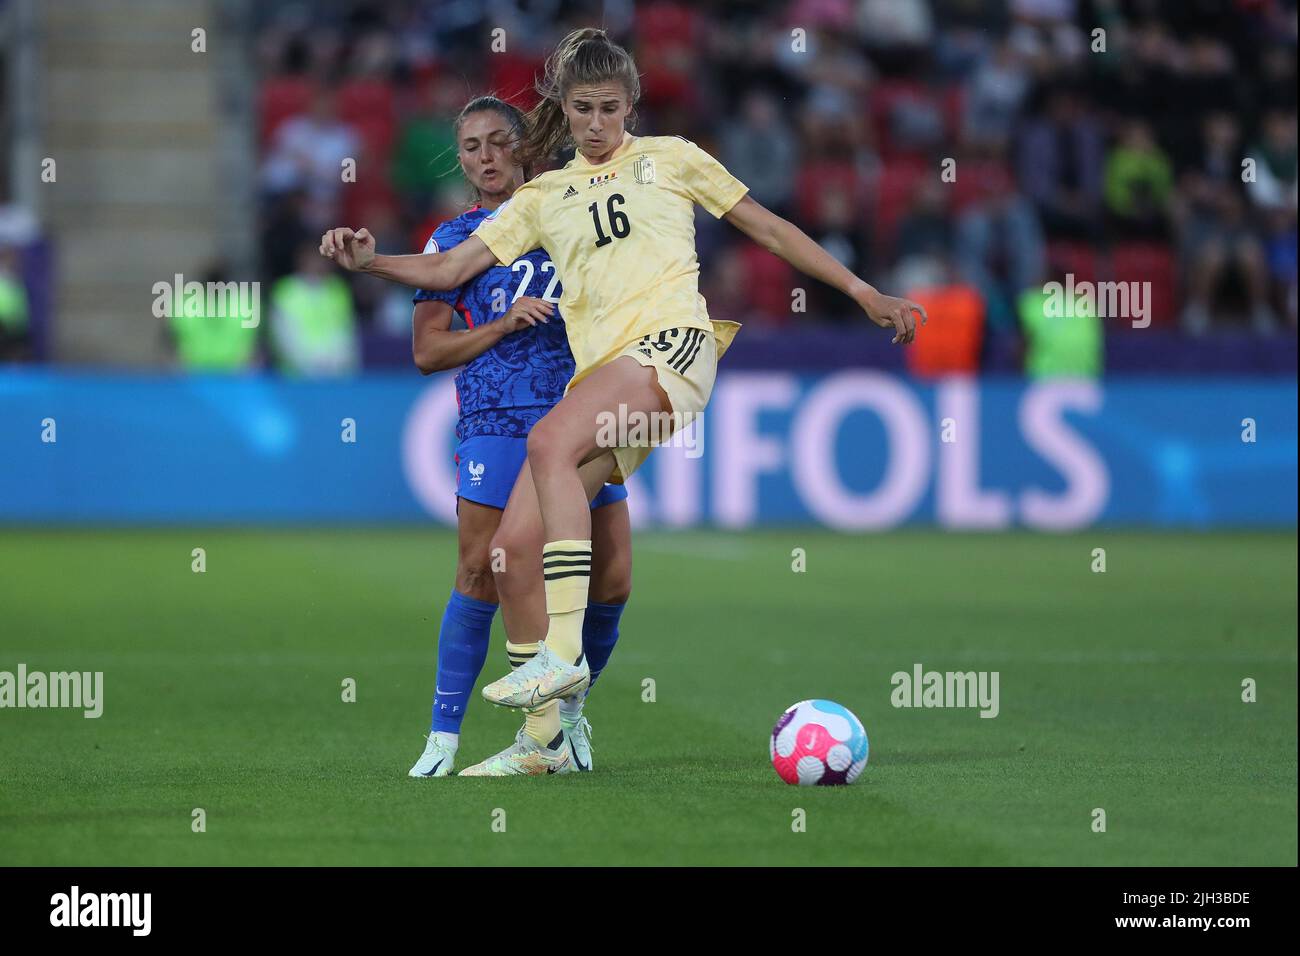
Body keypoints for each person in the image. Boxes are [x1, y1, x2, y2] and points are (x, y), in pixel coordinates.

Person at [322, 28, 924, 769]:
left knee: (548, 443)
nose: (598, 123)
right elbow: (450, 271)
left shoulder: (672, 159)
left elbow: (766, 226)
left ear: (632, 106)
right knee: (511, 553)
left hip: (672, 349)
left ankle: (562, 657)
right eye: (582, 109)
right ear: (565, 113)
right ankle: (547, 740)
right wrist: (372, 261)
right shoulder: (543, 198)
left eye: (610, 108)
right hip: (608, 382)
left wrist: (863, 291)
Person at [404, 95, 632, 777]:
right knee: (482, 571)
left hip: (577, 413)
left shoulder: (568, 215)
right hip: (495, 421)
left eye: (498, 142)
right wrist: (502, 325)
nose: (485, 157)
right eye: (471, 146)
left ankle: (566, 715)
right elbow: (427, 352)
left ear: (525, 144)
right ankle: (443, 739)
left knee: (612, 580)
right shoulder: (450, 242)